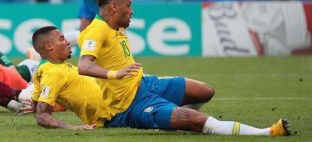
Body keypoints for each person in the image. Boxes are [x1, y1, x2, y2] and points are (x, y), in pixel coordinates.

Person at [29, 25, 291, 136]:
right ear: (49, 47)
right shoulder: (52, 71)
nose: (67, 41)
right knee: (193, 121)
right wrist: (72, 128)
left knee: (205, 92)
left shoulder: (57, 67)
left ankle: (169, 116)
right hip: (117, 113)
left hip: (136, 88)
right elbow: (42, 114)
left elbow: (43, 97)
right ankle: (266, 132)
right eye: (62, 39)